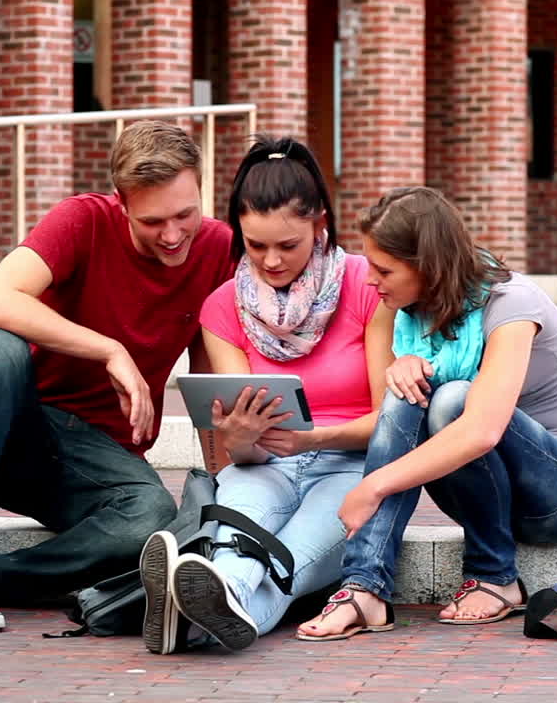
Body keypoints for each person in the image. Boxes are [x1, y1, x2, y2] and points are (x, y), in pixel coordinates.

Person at [0, 121, 235, 633]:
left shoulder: (217, 247)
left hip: (95, 458)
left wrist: (225, 489)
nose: (174, 235)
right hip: (15, 433)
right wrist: (110, 350)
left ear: (202, 187)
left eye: (185, 214)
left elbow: (207, 383)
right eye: (154, 221)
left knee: (153, 517)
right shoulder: (82, 219)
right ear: (122, 201)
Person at [296, 186, 557, 641]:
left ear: (428, 266)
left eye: (383, 269)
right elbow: (400, 418)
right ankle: (365, 586)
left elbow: (482, 430)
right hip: (486, 491)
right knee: (406, 392)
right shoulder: (407, 312)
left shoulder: (512, 304)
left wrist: (372, 485)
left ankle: (493, 573)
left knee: (454, 400)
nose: (369, 280)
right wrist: (400, 369)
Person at [137, 135, 395, 654]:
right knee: (242, 543)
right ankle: (216, 598)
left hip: (349, 466)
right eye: (255, 246)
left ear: (319, 222)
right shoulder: (222, 306)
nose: (271, 261)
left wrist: (312, 439)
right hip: (264, 466)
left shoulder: (369, 285)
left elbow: (389, 420)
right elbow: (240, 452)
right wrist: (238, 440)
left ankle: (188, 617)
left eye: (287, 245)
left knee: (285, 558)